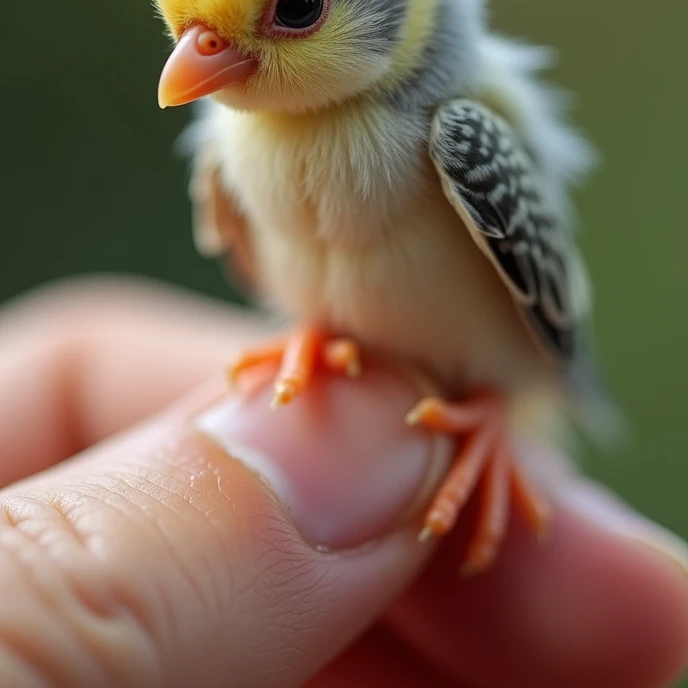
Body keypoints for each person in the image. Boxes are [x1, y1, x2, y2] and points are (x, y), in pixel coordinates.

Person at [0, 277, 686, 688]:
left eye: (296, 19)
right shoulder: (238, 146)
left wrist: (499, 408)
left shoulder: (452, 134)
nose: (199, 61)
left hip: (489, 381)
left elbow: (537, 298)